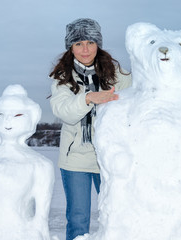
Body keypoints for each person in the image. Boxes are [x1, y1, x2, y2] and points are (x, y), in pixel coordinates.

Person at [49, 18, 132, 240]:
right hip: (75, 160)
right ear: (70, 47)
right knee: (77, 220)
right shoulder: (62, 78)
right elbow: (64, 111)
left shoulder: (116, 73)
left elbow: (137, 99)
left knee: (117, 216)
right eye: (78, 44)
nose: (85, 49)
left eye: (90, 42)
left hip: (110, 158)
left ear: (98, 44)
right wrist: (88, 98)